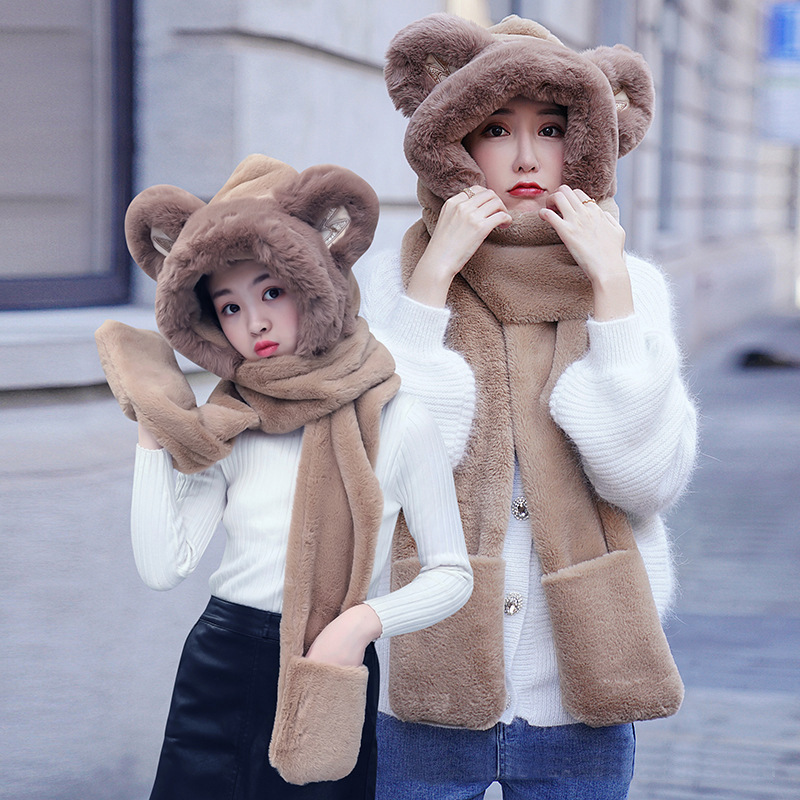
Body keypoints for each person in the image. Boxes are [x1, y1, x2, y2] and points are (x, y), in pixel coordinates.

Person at [355, 13, 698, 800]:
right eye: (493, 128)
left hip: (583, 688)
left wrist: (608, 295)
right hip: (428, 685)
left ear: (588, 140)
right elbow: (389, 466)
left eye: (550, 128)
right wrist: (429, 287)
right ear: (454, 143)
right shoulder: (390, 282)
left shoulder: (631, 284)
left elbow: (646, 481)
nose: (523, 157)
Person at [94, 155, 473, 800]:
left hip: (328, 658)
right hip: (223, 658)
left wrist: (357, 627)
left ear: (316, 280)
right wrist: (154, 424)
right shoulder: (233, 421)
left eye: (271, 291)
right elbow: (164, 568)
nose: (256, 322)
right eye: (230, 306)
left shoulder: (400, 419)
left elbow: (451, 574)